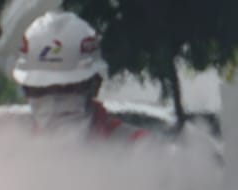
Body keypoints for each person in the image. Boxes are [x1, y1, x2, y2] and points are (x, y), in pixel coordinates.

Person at [12, 11, 147, 142]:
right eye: (40, 90)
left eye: (67, 88)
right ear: (25, 89)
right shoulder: (11, 146)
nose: (53, 102)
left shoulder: (137, 146)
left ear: (95, 84)